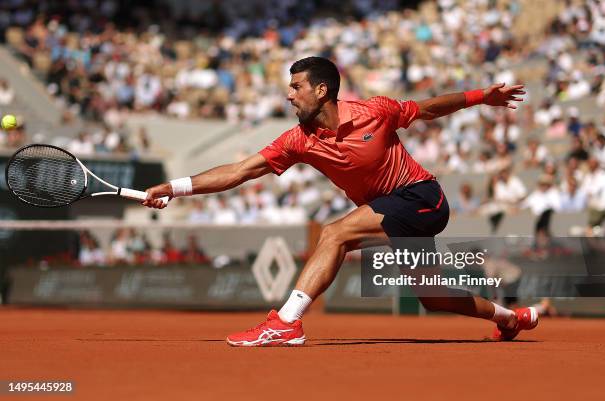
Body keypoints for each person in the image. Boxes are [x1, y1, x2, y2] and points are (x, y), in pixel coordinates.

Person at [143, 57, 536, 346]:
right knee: (432, 295)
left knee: (334, 233)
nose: (289, 95)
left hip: (422, 198)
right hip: (389, 212)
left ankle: (287, 321)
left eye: (296, 87)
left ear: (321, 90)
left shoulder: (375, 111)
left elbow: (428, 108)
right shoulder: (298, 139)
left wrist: (482, 96)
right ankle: (509, 318)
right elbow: (240, 171)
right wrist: (174, 187)